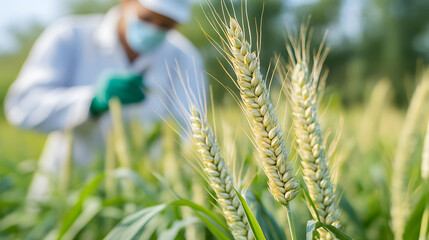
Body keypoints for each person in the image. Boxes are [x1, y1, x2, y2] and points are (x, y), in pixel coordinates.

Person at [5, 0, 205, 201]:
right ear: (127, 2)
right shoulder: (69, 35)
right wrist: (91, 101)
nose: (154, 29)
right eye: (146, 18)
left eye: (166, 25)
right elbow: (21, 107)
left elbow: (192, 130)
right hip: (63, 193)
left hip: (143, 197)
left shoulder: (184, 56)